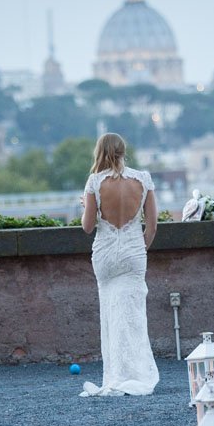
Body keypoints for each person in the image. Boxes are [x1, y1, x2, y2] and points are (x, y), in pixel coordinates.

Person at [79, 133, 159, 397]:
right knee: (135, 315)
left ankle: (115, 374)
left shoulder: (95, 182)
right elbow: (152, 225)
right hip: (133, 253)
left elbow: (88, 227)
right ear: (124, 151)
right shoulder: (143, 180)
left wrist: (85, 206)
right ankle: (136, 374)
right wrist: (139, 248)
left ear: (99, 151)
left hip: (105, 255)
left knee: (111, 314)